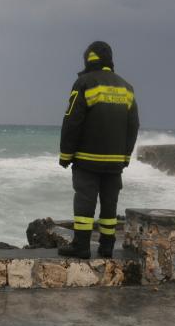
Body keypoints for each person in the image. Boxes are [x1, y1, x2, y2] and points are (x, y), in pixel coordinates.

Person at [58, 41, 139, 259]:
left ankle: (81, 247)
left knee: (85, 202)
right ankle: (106, 247)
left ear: (89, 59)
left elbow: (72, 121)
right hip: (115, 163)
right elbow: (133, 126)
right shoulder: (127, 88)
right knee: (109, 205)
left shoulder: (84, 82)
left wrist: (66, 154)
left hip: (86, 159)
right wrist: (125, 157)